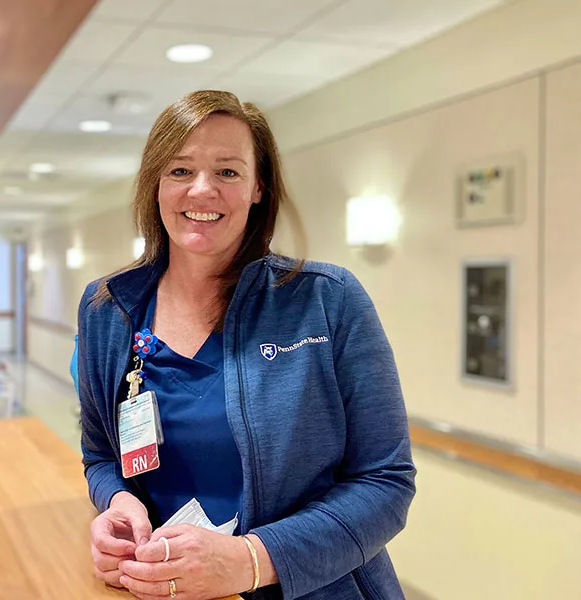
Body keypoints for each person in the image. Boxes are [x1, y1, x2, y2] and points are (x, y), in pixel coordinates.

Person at [74, 90, 416, 600]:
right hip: (164, 588)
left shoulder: (327, 301)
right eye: (180, 170)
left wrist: (251, 560)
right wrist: (118, 504)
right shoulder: (109, 309)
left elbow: (386, 482)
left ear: (259, 187)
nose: (202, 191)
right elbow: (101, 455)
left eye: (228, 172)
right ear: (155, 185)